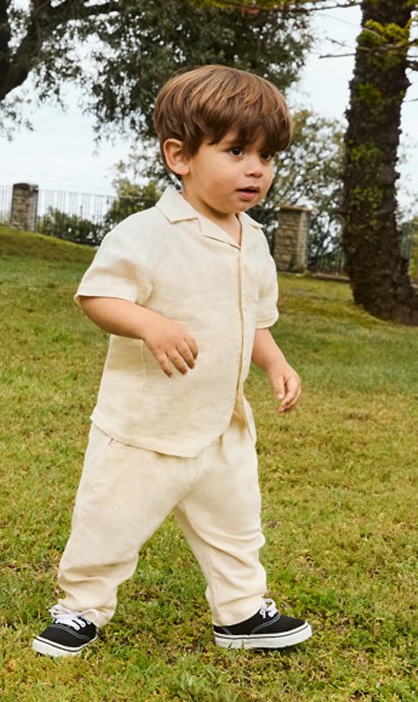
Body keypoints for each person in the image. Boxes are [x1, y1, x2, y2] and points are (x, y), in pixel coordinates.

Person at [33, 64, 311, 658]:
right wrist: (150, 324)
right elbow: (98, 296)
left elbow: (253, 318)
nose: (256, 168)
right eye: (236, 151)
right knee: (110, 520)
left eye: (266, 155)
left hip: (220, 423)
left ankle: (239, 613)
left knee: (237, 526)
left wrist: (274, 363)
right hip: (145, 424)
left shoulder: (254, 239)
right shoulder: (146, 233)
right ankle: (80, 607)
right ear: (179, 155)